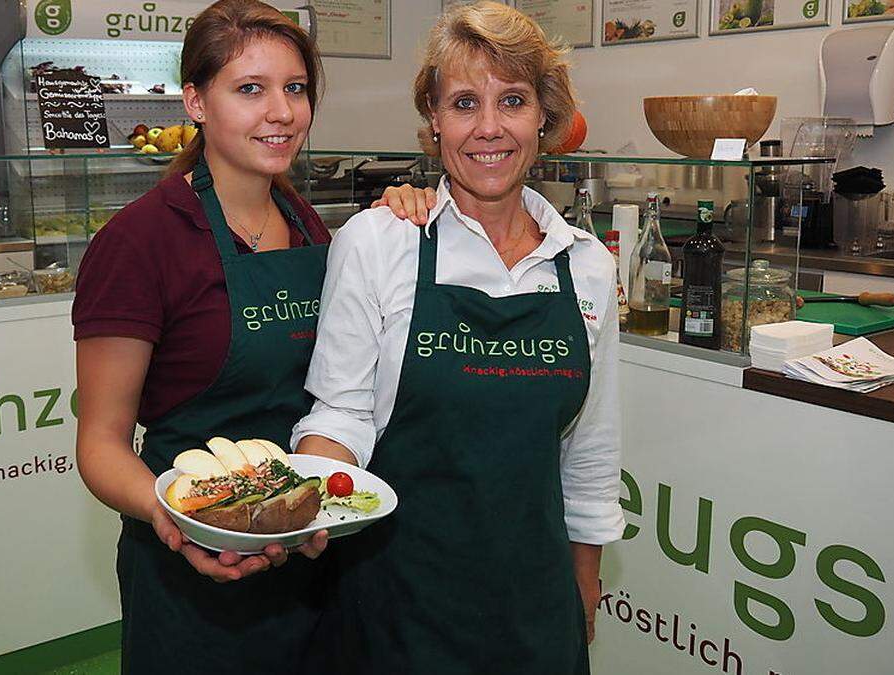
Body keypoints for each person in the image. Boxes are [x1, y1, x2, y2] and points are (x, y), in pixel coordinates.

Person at [73, 1, 430, 671]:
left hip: (310, 552)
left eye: (295, 88)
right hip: (192, 573)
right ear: (196, 101)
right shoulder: (140, 242)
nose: (283, 112)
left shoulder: (311, 227)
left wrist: (397, 218)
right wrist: (174, 518)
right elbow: (99, 442)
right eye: (250, 89)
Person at [294, 2, 625, 673]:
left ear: (543, 117)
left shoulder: (588, 265)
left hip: (534, 603)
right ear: (435, 120)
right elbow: (342, 408)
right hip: (398, 597)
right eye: (465, 103)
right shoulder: (379, 242)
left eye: (513, 100)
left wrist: (583, 578)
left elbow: (590, 451)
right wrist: (312, 494)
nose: (490, 128)